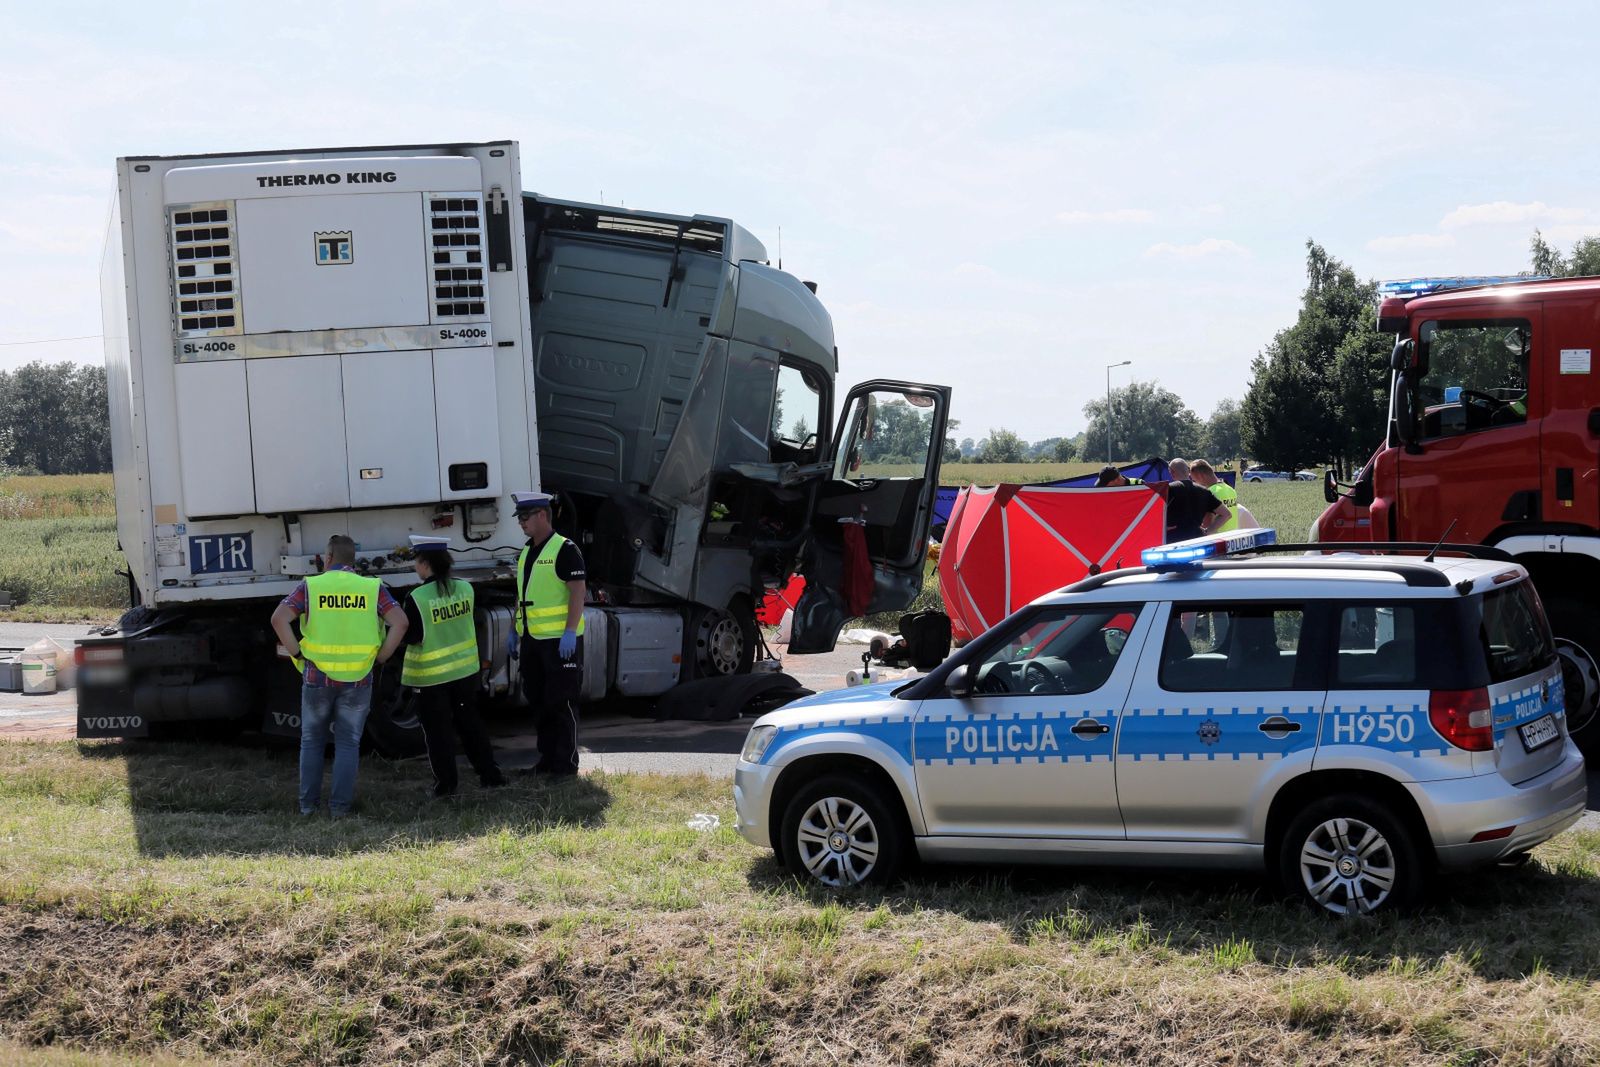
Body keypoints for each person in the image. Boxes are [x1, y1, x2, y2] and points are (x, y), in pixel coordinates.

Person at [271, 535, 408, 817]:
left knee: (312, 741)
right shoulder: (372, 588)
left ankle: (308, 807)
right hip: (359, 677)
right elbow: (400, 622)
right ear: (352, 561)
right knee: (348, 743)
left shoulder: (312, 586)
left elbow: (279, 618)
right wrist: (381, 656)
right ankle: (339, 809)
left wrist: (296, 653)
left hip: (317, 676)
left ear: (328, 557)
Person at [401, 535, 505, 799]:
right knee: (471, 724)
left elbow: (411, 636)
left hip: (431, 678)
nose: (415, 566)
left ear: (425, 563)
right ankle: (490, 775)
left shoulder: (417, 597)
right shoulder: (466, 589)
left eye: (416, 560)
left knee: (438, 733)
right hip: (465, 672)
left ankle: (446, 785)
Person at [507, 491, 588, 777]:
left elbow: (578, 591)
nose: (521, 524)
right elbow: (522, 594)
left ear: (543, 515)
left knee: (561, 703)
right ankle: (547, 761)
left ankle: (565, 767)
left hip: (559, 643)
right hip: (532, 640)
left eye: (526, 517)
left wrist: (569, 632)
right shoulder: (527, 552)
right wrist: (514, 632)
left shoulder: (565, 549)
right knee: (539, 702)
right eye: (519, 519)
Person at [1162, 458, 1228, 541]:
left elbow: (1151, 515)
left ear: (1171, 472)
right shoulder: (1204, 491)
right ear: (1188, 471)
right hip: (1197, 540)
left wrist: (1162, 528)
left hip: (1174, 541)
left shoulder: (1167, 490)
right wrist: (1207, 531)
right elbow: (1226, 514)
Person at [1188, 459, 1238, 533]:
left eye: (1194, 480)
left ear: (1200, 476)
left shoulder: (1209, 492)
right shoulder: (1230, 489)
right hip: (1233, 537)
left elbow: (1206, 523)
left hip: (1217, 539)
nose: (1195, 483)